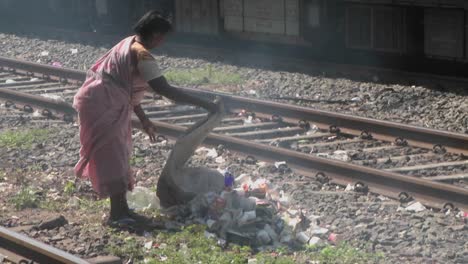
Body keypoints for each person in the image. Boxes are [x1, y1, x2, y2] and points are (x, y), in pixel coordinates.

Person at [73, 10, 218, 224]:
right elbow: (165, 90)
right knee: (113, 157)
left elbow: (126, 88)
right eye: (163, 37)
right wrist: (206, 104)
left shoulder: (128, 43)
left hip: (101, 101)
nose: (162, 41)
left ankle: (122, 210)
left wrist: (144, 120)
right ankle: (117, 215)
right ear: (156, 35)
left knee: (117, 155)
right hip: (103, 105)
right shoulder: (142, 54)